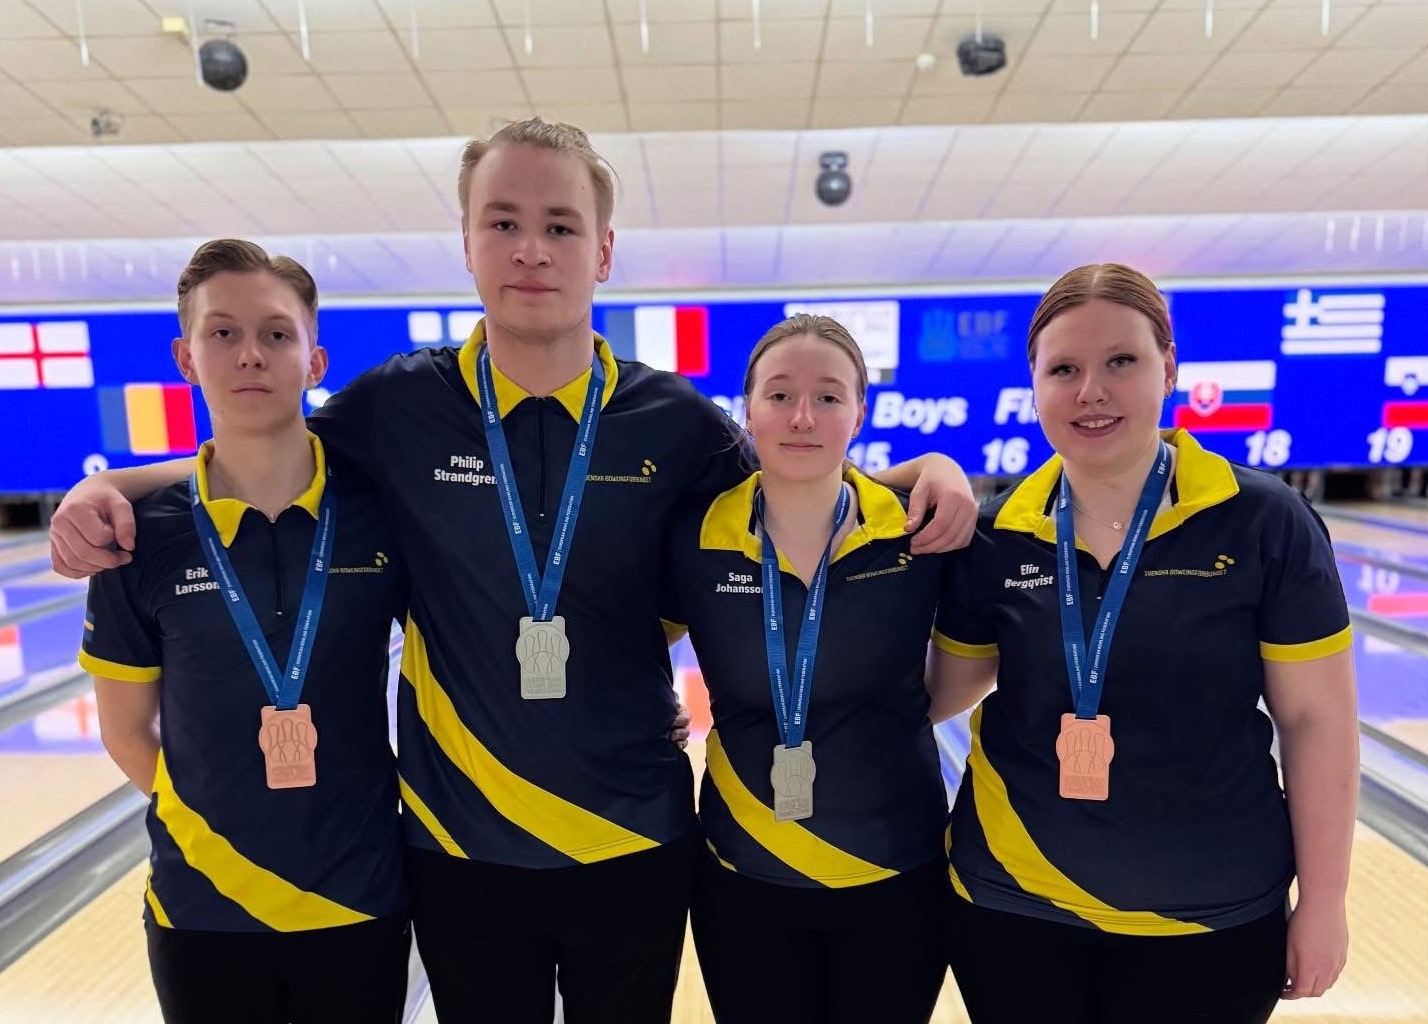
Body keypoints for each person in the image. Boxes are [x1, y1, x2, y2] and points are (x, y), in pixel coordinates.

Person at [49, 119, 978, 1024]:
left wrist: (926, 470)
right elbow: (265, 454)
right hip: (460, 846)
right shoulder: (397, 405)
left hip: (635, 837)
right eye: (503, 222)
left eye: (560, 226)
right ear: (467, 241)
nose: (531, 249)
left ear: (603, 251)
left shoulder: (674, 422)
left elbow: (801, 480)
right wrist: (111, 486)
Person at [935, 263, 1359, 1024]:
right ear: (1034, 385)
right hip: (1013, 902)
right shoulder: (998, 535)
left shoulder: (1264, 522)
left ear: (1168, 367)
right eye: (1064, 369)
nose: (1091, 391)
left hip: (1214, 912)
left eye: (1121, 361)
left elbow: (1316, 721)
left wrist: (1325, 902)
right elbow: (942, 691)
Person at [78, 239, 410, 1024]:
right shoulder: (139, 537)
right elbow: (125, 731)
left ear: (315, 360)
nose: (250, 354)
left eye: (276, 333)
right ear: (185, 359)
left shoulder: (380, 515)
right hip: (203, 903)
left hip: (358, 893)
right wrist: (219, 825)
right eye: (222, 333)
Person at [661, 314, 993, 1023]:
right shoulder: (693, 539)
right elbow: (628, 646)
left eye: (829, 397)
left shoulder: (918, 535)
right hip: (743, 872)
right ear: (747, 409)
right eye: (780, 395)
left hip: (896, 872)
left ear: (859, 412)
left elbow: (958, 682)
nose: (803, 417)